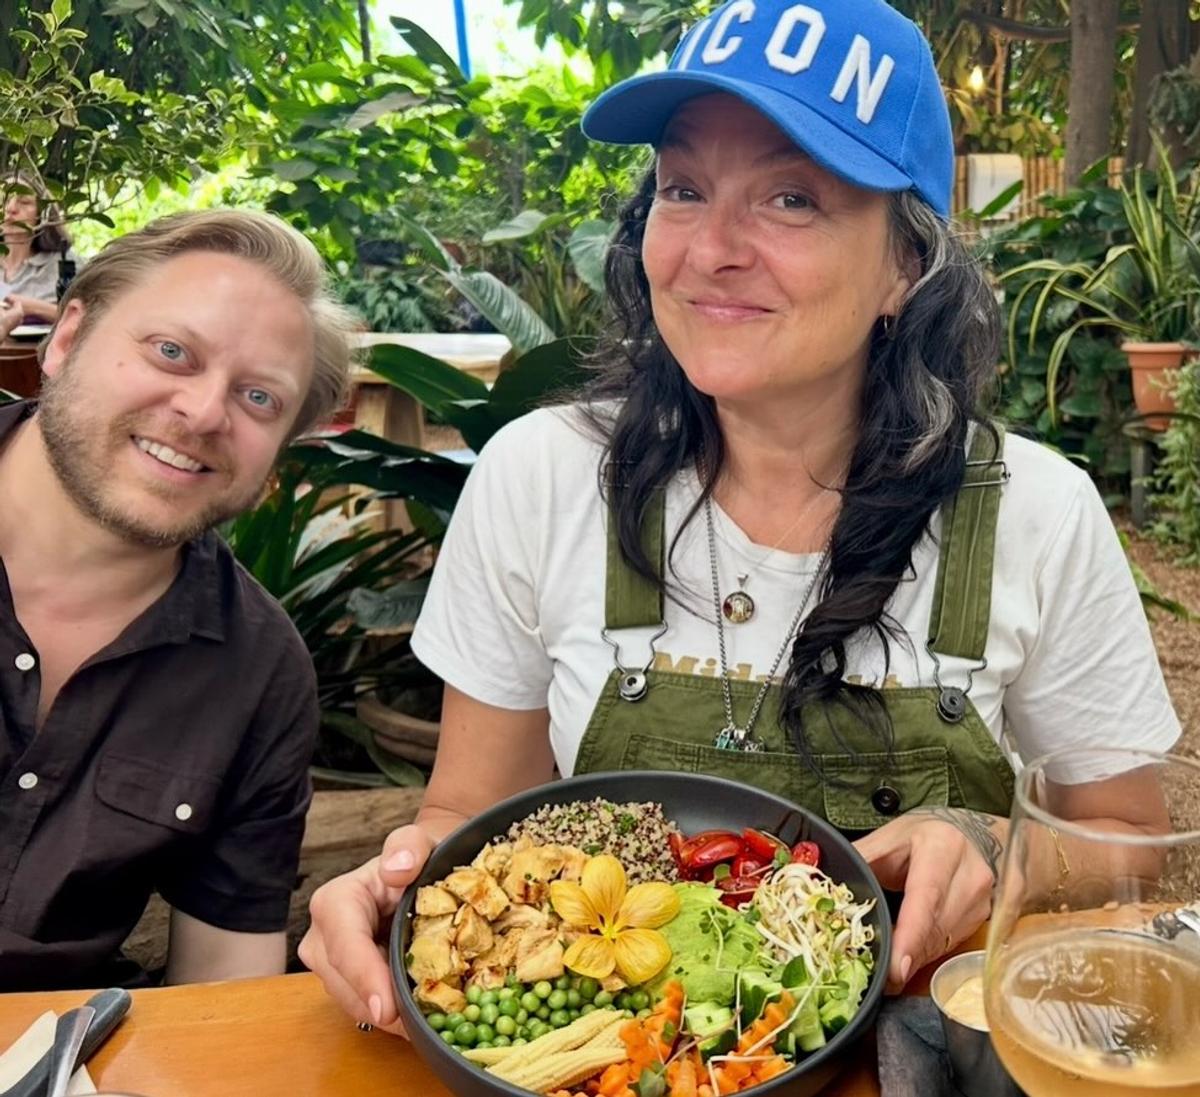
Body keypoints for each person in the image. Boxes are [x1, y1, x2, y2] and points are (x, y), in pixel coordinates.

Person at [300, 0, 1181, 1033]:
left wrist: (993, 843)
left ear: (907, 262)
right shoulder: (542, 476)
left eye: (792, 198)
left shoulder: (1034, 510)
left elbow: (1129, 853)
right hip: (614, 1054)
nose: (711, 247)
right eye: (684, 188)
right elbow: (467, 816)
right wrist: (407, 878)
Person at [0, 209, 356, 990]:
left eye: (259, 398)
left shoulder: (257, 672)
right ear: (66, 338)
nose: (202, 413)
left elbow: (221, 989)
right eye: (171, 352)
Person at [1, 173, 76, 326]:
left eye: (24, 202)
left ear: (42, 214)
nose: (11, 209)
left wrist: (34, 308)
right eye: (3, 200)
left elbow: (91, 319)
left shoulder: (66, 264)